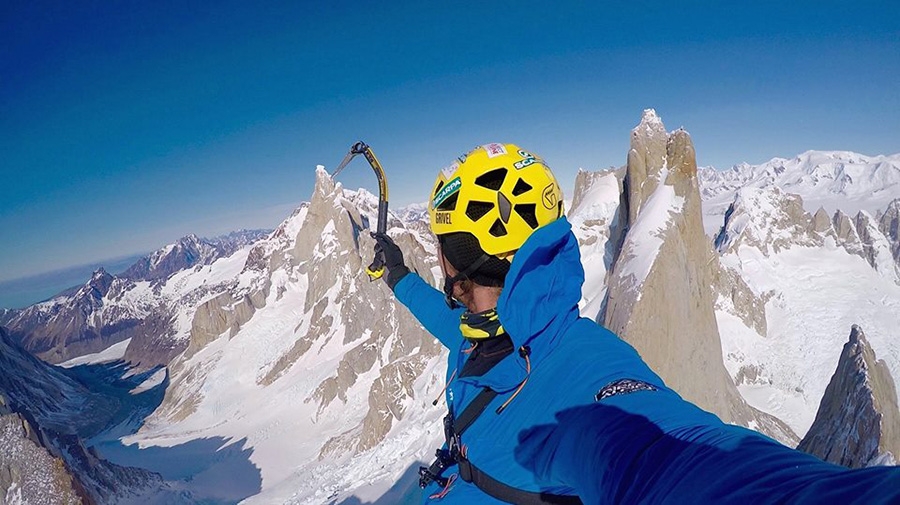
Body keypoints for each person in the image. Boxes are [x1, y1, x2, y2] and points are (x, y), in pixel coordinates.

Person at [371, 143, 900, 504]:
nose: (438, 265)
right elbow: (450, 323)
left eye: (442, 251)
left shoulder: (583, 375)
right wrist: (397, 276)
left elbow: (660, 451)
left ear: (472, 258)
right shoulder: (484, 332)